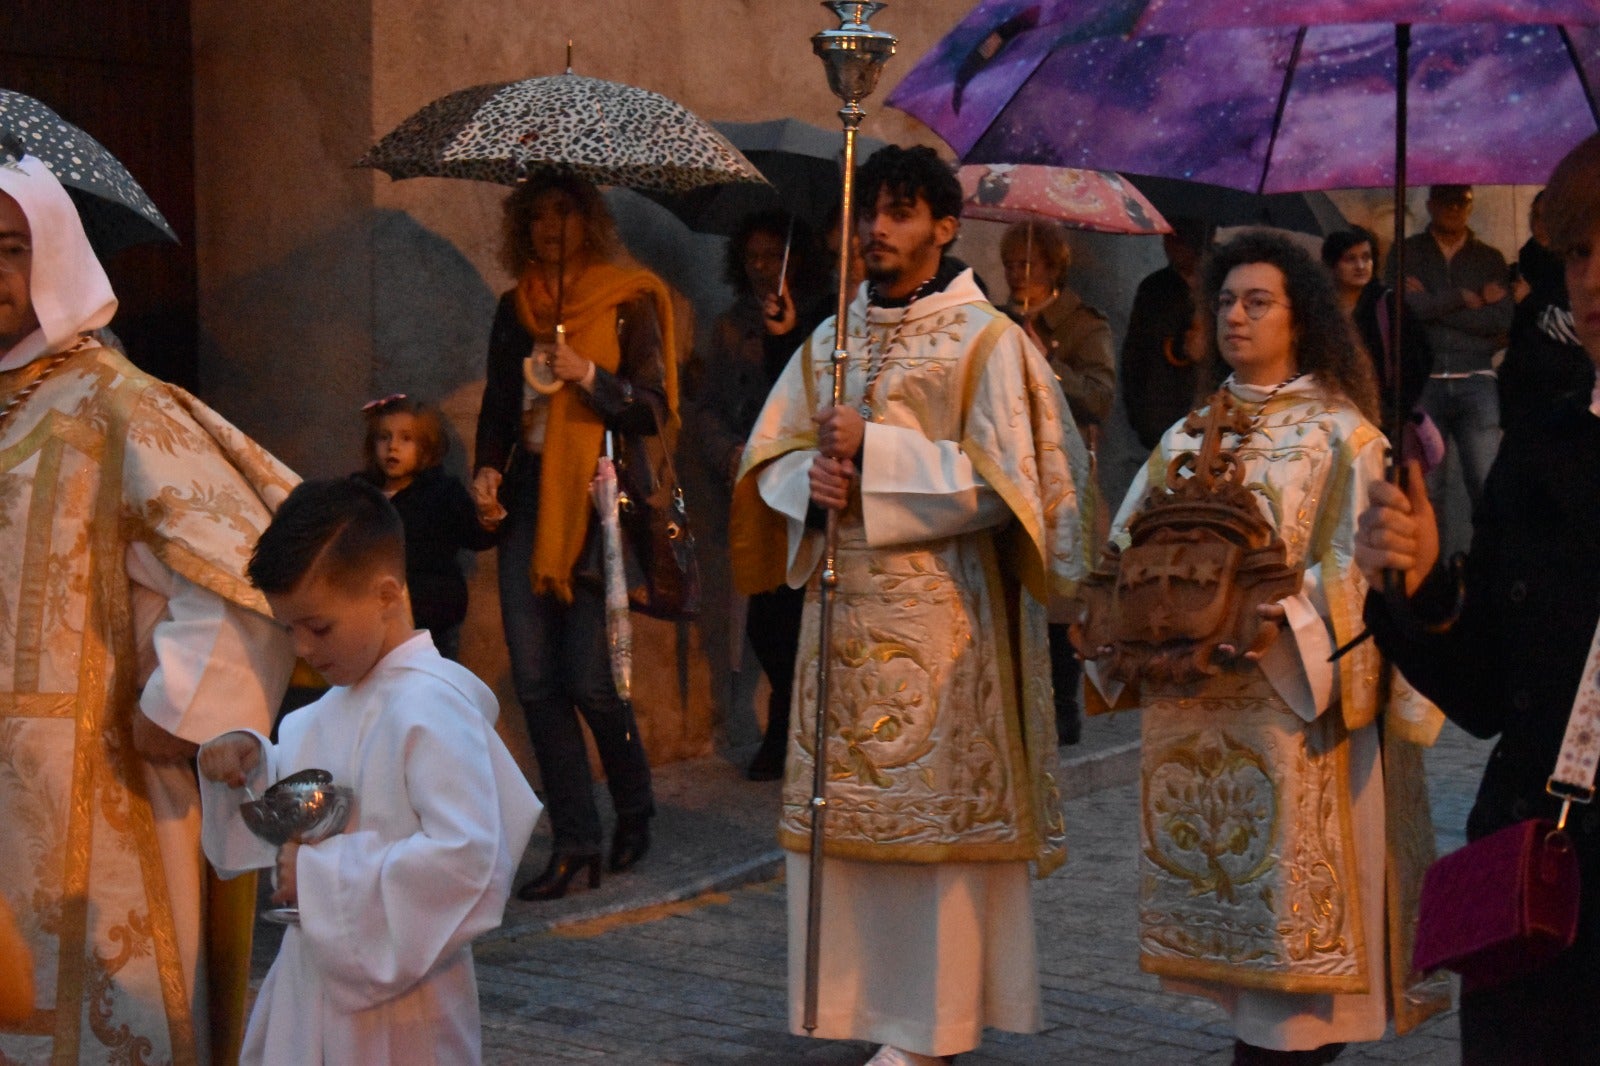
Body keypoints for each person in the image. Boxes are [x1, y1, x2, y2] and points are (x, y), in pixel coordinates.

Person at [729, 144, 1088, 1066]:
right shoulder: (832, 334)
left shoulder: (985, 340)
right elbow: (769, 455)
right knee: (845, 825)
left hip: (941, 626)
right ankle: (857, 1009)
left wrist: (879, 455)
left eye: (897, 212)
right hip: (840, 619)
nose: (875, 230)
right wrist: (810, 479)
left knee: (930, 829)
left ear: (942, 225)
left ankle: (932, 1029)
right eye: (868, 214)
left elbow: (1012, 485)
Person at [1084, 231, 1448, 1064]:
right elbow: (1126, 554)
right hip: (1198, 717)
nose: (1236, 318)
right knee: (1241, 963)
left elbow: (1365, 577)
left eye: (1258, 302)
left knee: (1300, 975)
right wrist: (1117, 614)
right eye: (1224, 302)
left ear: (1302, 318)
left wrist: (1284, 624)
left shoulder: (1342, 436)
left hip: (1296, 725)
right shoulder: (1185, 435)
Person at [0, 156, 297, 1064]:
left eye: (7, 249)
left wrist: (175, 711)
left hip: (94, 791)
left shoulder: (121, 409)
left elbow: (246, 579)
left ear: (50, 258)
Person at [1355, 134, 1600, 1066]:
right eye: (1577, 252)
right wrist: (1418, 585)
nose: (1593, 279)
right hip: (1543, 883)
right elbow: (1490, 695)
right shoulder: (1540, 444)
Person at [197, 478, 541, 1065]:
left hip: (406, 1015)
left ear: (386, 595)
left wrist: (321, 877)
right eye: (289, 629)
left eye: (319, 626)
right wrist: (250, 765)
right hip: (308, 993)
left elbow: (470, 862)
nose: (303, 648)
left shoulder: (432, 706)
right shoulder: (320, 713)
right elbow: (301, 822)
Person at [470, 172, 674, 900]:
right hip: (529, 501)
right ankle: (576, 840)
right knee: (535, 680)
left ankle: (635, 805)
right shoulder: (513, 309)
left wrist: (590, 375)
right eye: (538, 218)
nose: (551, 230)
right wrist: (487, 470)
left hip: (599, 504)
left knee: (590, 679)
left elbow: (651, 410)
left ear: (588, 222)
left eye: (565, 215)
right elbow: (499, 404)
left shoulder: (628, 303)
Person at [685, 209, 829, 781]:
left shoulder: (821, 320)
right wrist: (727, 451)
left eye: (775, 256)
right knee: (762, 614)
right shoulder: (727, 328)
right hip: (747, 483)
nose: (764, 268)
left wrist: (785, 336)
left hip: (796, 480)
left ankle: (787, 729)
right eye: (754, 258)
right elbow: (711, 406)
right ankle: (787, 725)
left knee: (790, 611)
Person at [1001, 219, 1114, 746]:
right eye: (1010, 267)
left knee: (1063, 587)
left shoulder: (1084, 325)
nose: (1017, 276)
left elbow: (1099, 396)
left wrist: (1049, 363)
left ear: (1052, 269)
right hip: (1008, 461)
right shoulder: (996, 320)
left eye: (1027, 266)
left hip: (1065, 471)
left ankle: (1064, 697)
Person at [1386, 185, 1514, 519]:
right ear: (1430, 204)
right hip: (1423, 381)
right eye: (1447, 201)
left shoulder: (1489, 258)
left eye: (1464, 202)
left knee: (1487, 485)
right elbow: (1401, 310)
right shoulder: (1406, 251)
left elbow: (1501, 320)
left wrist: (1432, 303)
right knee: (1426, 491)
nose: (1455, 208)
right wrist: (1463, 297)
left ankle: (1488, 570)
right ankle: (1432, 572)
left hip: (1477, 380)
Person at [353, 394, 496, 660]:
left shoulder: (442, 493)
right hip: (370, 618)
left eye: (406, 439)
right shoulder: (359, 492)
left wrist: (489, 514)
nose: (392, 447)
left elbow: (475, 535)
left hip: (430, 615)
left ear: (426, 448)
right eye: (384, 437)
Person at [1321, 227, 1435, 455]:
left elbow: (1419, 359)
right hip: (1329, 416)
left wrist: (1395, 410)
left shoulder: (1389, 304)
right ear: (1333, 264)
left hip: (1380, 420)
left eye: (1366, 257)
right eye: (1350, 259)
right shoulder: (1321, 309)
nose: (1361, 266)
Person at [1497, 188, 1592, 431]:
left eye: (1548, 217)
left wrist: (1530, 300)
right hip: (1523, 383)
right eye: (1536, 216)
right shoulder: (1524, 262)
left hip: (1567, 384)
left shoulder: (1578, 265)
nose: (1541, 224)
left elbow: (1573, 325)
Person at [1121, 216, 1211, 451]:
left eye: (1179, 237)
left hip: (1208, 415)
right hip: (1160, 416)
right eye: (1167, 235)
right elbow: (1134, 356)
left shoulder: (1220, 286)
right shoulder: (1155, 288)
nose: (1170, 244)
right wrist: (1140, 416)